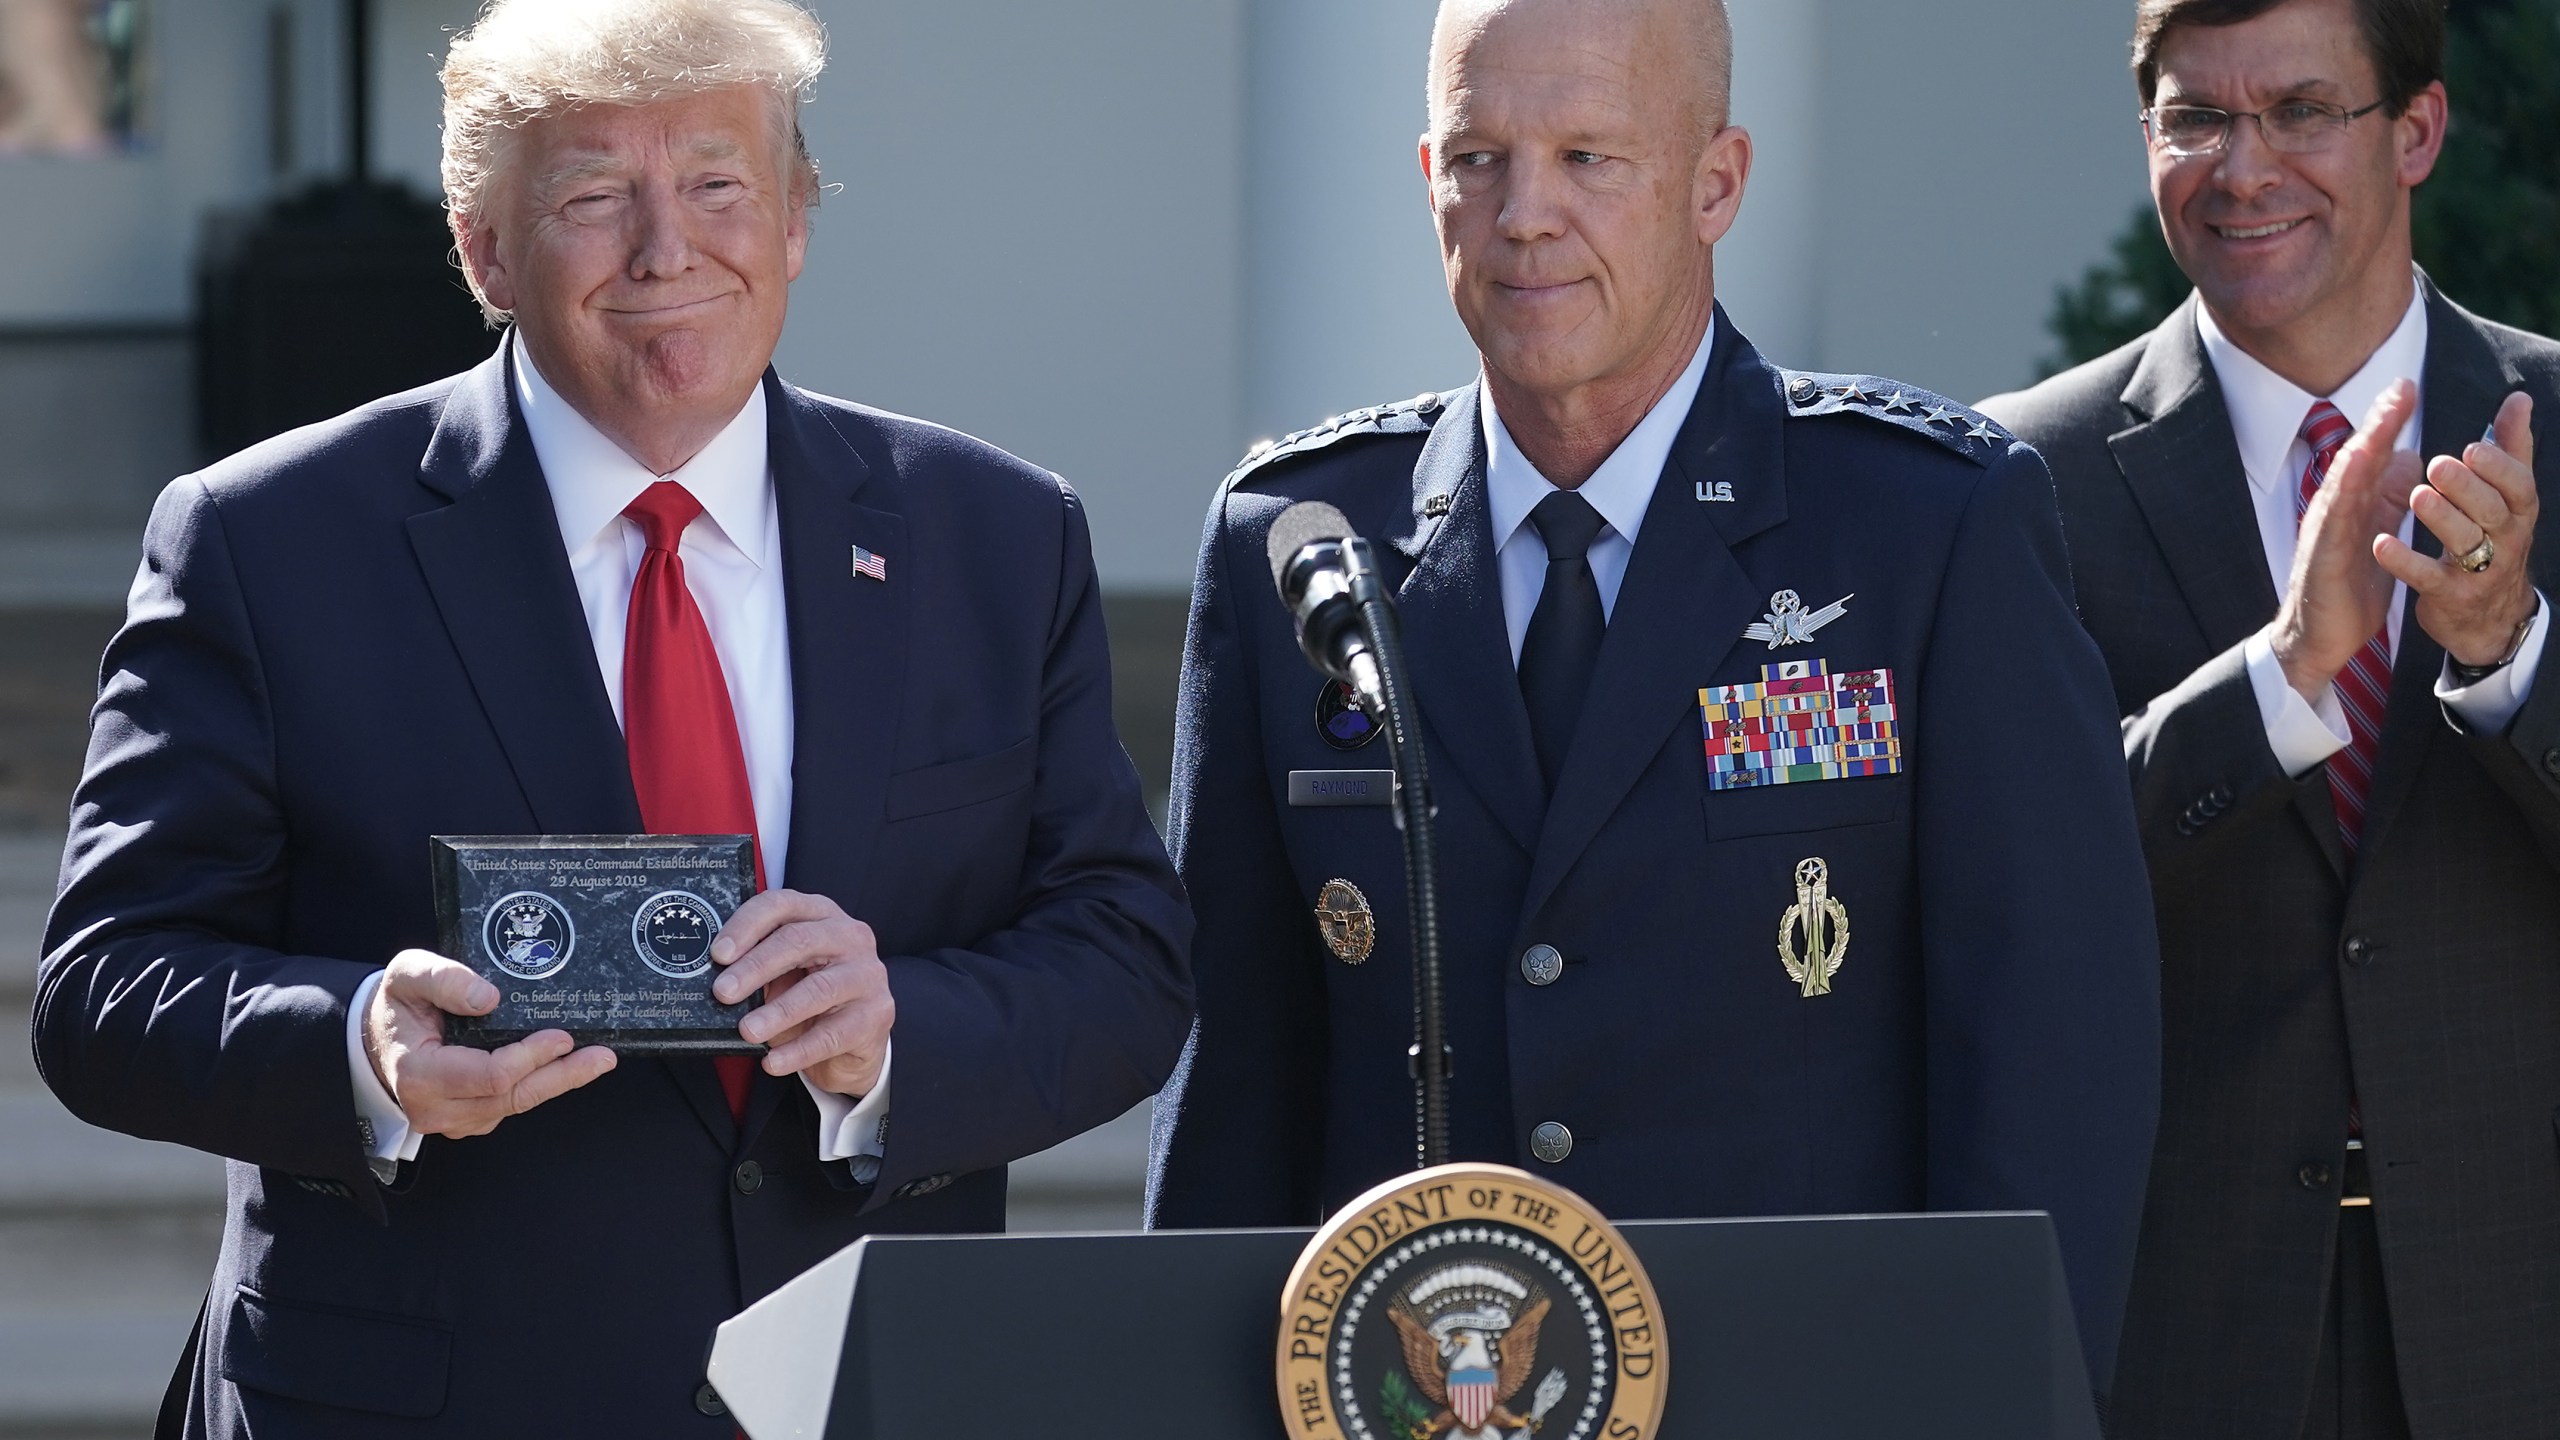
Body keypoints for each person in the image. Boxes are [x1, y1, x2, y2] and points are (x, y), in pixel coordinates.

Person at [31, 2, 1192, 1434]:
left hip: (860, 1392)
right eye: (594, 198)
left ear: (796, 219)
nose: (666, 250)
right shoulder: (267, 544)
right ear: (486, 251)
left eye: (717, 185)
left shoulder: (995, 537)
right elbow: (105, 990)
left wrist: (901, 1036)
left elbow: (1125, 962)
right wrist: (358, 1049)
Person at [1147, 0, 2161, 1399]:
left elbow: (2051, 1073)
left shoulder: (1921, 528)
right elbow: (1234, 1104)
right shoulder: (1301, 548)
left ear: (1718, 182)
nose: (1524, 215)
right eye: (1479, 158)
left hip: (1806, 1399)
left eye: (1589, 157)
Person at [1980, 0, 2560, 1434]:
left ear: (2415, 129)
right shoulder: (2014, 479)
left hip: (2521, 1307)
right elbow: (2012, 891)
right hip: (2189, 1328)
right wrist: (2282, 681)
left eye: (2301, 111)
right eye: (2196, 118)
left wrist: (2508, 659)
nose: (2243, 168)